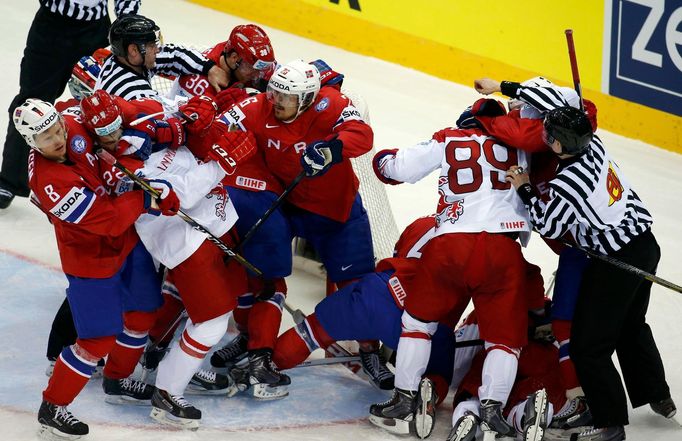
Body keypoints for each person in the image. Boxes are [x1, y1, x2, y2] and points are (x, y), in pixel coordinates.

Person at [478, 77, 677, 440]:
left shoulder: (568, 182)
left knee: (588, 346)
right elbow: (551, 97)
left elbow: (546, 222)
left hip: (616, 259)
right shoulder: (593, 145)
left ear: (556, 144)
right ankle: (656, 394)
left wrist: (522, 184)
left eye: (548, 133)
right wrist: (504, 86)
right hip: (645, 245)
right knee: (631, 325)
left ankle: (609, 424)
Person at [80, 89, 256, 428]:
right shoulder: (119, 168)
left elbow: (184, 116)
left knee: (207, 309)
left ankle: (175, 366)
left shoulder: (141, 127)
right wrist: (223, 162)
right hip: (185, 242)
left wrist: (206, 114)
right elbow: (180, 196)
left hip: (212, 226)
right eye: (103, 133)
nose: (113, 136)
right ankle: (168, 391)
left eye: (115, 126)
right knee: (213, 323)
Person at [14, 97, 177, 439]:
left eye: (56, 128)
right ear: (31, 143)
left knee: (145, 310)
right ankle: (53, 406)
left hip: (126, 243)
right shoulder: (49, 182)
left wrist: (148, 125)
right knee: (97, 339)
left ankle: (117, 379)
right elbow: (110, 221)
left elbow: (96, 106)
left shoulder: (70, 122)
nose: (57, 138)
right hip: (90, 259)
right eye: (46, 137)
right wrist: (148, 197)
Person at [370, 97, 533, 439]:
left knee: (417, 324)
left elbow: (396, 169)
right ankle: (492, 412)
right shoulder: (523, 146)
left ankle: (403, 402)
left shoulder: (450, 137)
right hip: (502, 249)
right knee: (504, 341)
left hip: (449, 244)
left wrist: (382, 161)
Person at [212, 59, 375, 399]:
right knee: (263, 276)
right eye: (274, 91)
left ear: (307, 99)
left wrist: (333, 149)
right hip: (287, 207)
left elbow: (363, 134)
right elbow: (218, 124)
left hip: (336, 212)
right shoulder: (258, 106)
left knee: (356, 285)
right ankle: (255, 344)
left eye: (285, 96)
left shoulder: (331, 105)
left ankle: (369, 350)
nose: (276, 100)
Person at [457, 76, 598, 430]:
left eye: (522, 111)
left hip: (579, 243)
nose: (517, 116)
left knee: (482, 357)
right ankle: (533, 412)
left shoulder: (543, 133)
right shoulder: (575, 122)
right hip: (577, 243)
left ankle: (464, 406)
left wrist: (484, 114)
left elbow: (520, 135)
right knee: (569, 331)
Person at [271, 214, 455, 404]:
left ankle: (264, 368)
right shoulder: (473, 239)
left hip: (377, 292)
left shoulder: (422, 222)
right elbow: (455, 307)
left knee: (312, 331)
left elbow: (398, 256)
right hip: (420, 318)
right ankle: (427, 400)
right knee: (438, 368)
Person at [0, 0, 139, 209]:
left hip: (96, 31)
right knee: (32, 102)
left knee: (100, 107)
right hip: (52, 28)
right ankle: (11, 180)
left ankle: (103, 181)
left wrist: (126, 21)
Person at [96, 14, 228, 105]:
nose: (157, 50)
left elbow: (175, 54)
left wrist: (209, 67)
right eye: (152, 45)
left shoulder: (126, 60)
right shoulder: (134, 92)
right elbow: (163, 123)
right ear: (133, 50)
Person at [169, 23, 276, 107]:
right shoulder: (198, 83)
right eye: (252, 68)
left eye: (261, 69)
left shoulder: (232, 50)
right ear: (234, 58)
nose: (257, 75)